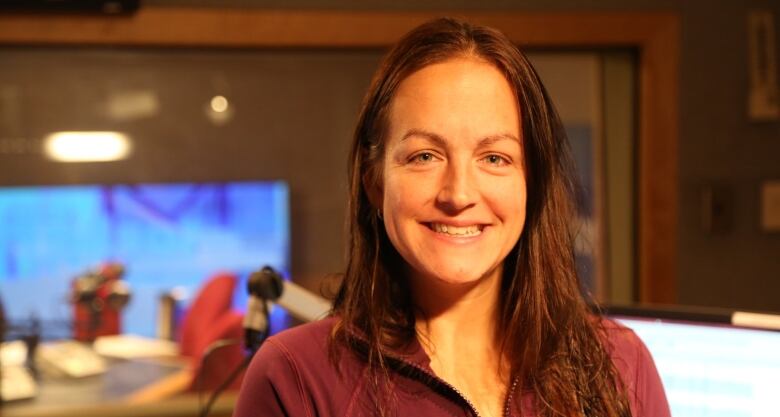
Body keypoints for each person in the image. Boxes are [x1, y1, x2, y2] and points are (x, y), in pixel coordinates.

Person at [234, 17, 671, 417]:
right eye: (425, 155)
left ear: (531, 182)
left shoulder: (619, 364)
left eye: (495, 157)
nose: (459, 193)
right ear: (374, 181)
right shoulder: (294, 380)